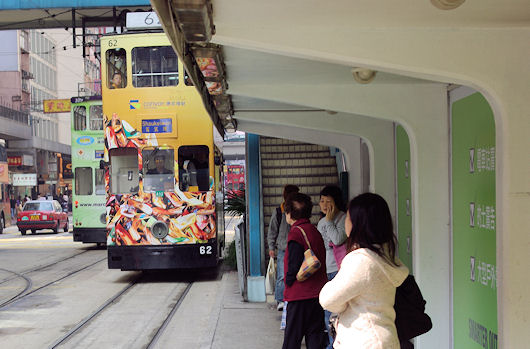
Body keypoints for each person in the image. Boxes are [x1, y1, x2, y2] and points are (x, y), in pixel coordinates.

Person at [319, 193, 409, 349]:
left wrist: (343, 303)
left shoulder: (362, 261)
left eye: (347, 217)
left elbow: (328, 300)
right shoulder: (385, 255)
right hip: (384, 337)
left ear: (357, 223)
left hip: (363, 340)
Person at [282, 192, 328, 349]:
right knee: (315, 338)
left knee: (291, 341)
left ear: (290, 214)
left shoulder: (296, 233)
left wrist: (288, 282)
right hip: (317, 295)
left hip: (299, 295)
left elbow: (293, 265)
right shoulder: (314, 231)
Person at [316, 185, 347, 349]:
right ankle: (331, 342)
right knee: (327, 310)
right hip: (325, 271)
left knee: (336, 311)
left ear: (336, 202)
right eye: (322, 201)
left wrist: (329, 221)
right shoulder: (321, 222)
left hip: (338, 270)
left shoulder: (343, 218)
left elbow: (336, 239)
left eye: (328, 201)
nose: (324, 204)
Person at [268, 184, 300, 312]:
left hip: (295, 247)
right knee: (282, 274)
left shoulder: (298, 211)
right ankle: (281, 299)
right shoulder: (279, 211)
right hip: (283, 248)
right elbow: (272, 231)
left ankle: (290, 297)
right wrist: (271, 247)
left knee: (291, 274)